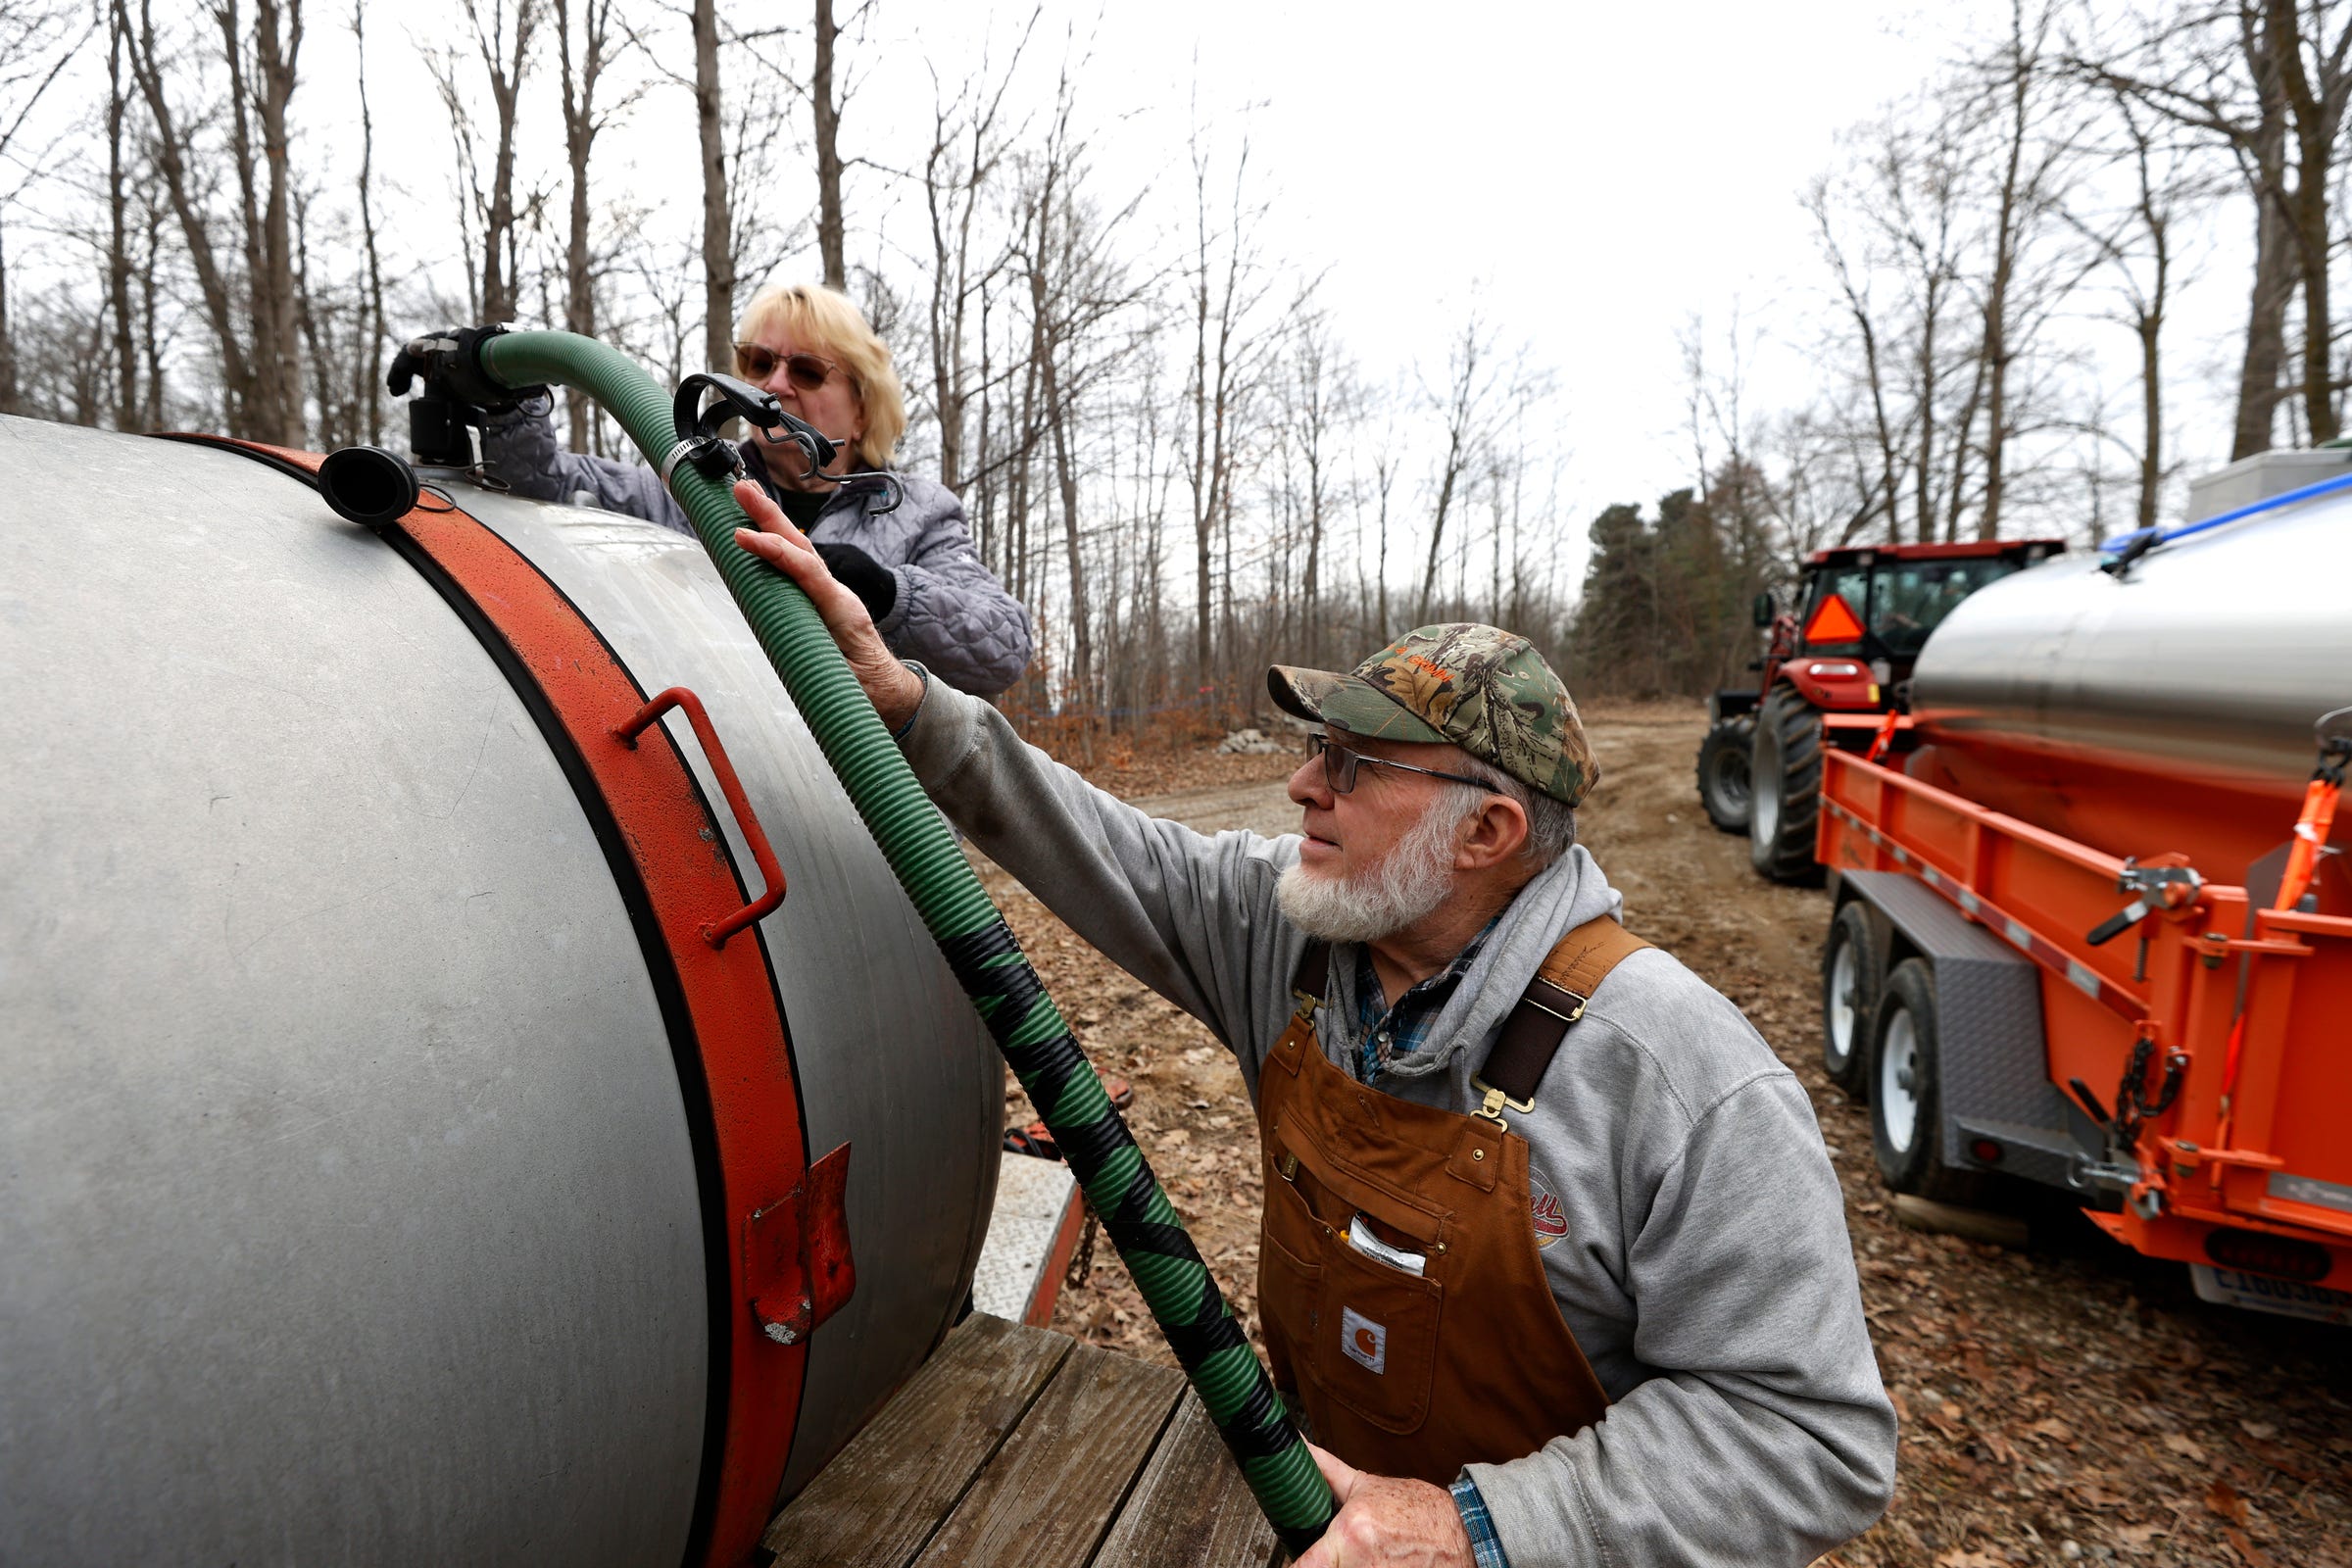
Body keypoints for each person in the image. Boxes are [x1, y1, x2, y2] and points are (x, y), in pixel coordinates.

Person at [726, 481, 1896, 1567]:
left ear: (1486, 833)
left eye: (1350, 762)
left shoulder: (1680, 1077)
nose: (1302, 786)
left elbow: (1808, 1434)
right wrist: (911, 705)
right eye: (1310, 751)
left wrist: (1471, 1527)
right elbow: (1098, 841)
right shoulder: (1296, 936)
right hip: (1314, 1520)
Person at [473, 284, 1032, 699]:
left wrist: (884, 592)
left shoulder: (918, 512)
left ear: (861, 410)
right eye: (758, 362)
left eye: (808, 371)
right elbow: (544, 487)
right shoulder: (691, 480)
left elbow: (1003, 648)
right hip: (729, 803)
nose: (773, 385)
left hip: (876, 828)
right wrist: (505, 395)